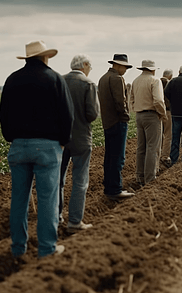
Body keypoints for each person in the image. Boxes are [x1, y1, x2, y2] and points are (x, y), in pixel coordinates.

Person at [0, 40, 73, 258]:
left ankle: (17, 248)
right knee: (47, 200)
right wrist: (62, 141)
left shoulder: (12, 80)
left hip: (18, 146)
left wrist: (11, 137)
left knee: (19, 199)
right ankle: (47, 249)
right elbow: (67, 116)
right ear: (45, 57)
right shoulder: (55, 79)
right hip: (48, 147)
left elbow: (3, 115)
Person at [59, 54, 99, 232]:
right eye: (90, 66)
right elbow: (92, 114)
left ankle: (56, 216)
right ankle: (75, 221)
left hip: (60, 137)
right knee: (80, 180)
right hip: (81, 137)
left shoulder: (59, 81)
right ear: (84, 65)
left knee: (58, 179)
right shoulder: (88, 84)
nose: (90, 69)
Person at [98, 54, 135, 200]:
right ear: (117, 65)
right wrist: (126, 117)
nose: (125, 70)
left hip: (107, 122)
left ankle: (109, 186)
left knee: (109, 156)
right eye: (125, 67)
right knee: (118, 157)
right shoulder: (117, 79)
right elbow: (121, 102)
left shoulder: (103, 78)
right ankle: (115, 189)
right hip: (118, 122)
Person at [130, 60, 167, 184]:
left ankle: (139, 177)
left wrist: (137, 110)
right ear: (153, 69)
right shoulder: (155, 81)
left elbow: (131, 100)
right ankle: (150, 178)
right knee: (152, 147)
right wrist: (162, 113)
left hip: (139, 115)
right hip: (152, 116)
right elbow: (158, 101)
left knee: (141, 147)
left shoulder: (135, 81)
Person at [160, 69, 173, 167]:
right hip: (168, 111)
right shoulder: (170, 84)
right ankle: (164, 156)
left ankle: (158, 154)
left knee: (159, 135)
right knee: (168, 135)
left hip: (157, 112)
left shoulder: (157, 82)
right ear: (170, 76)